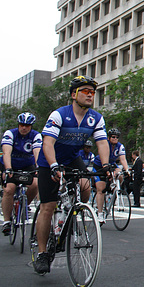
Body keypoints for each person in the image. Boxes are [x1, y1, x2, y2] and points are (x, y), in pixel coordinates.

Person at [34, 76, 110, 275]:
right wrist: (53, 166)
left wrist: (106, 165)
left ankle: (73, 211)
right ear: (73, 94)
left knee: (85, 187)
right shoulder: (59, 115)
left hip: (71, 159)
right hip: (49, 161)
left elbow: (102, 143)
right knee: (48, 206)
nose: (90, 95)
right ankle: (42, 253)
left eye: (92, 92)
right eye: (85, 91)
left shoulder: (96, 118)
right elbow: (48, 143)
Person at [2, 112, 42, 235]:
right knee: (9, 189)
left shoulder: (36, 136)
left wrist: (39, 168)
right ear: (18, 124)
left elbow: (37, 153)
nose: (24, 127)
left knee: (35, 184)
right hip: (11, 164)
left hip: (27, 164)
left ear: (31, 126)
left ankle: (23, 205)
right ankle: (7, 221)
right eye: (21, 125)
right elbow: (7, 153)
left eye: (27, 125)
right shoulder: (10, 134)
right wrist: (8, 168)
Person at [93, 128, 130, 223]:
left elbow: (123, 159)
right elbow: (102, 158)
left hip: (111, 165)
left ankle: (113, 190)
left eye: (117, 137)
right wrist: (107, 172)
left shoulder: (120, 146)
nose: (115, 138)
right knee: (100, 190)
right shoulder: (105, 144)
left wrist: (127, 170)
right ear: (109, 138)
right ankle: (100, 213)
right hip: (100, 165)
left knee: (120, 174)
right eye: (113, 137)